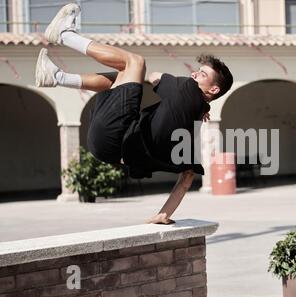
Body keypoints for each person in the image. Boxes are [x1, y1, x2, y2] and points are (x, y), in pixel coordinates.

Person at [35, 3, 233, 225]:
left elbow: (155, 77)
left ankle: (64, 36)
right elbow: (187, 178)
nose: (195, 73)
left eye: (202, 74)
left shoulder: (187, 88)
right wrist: (164, 214)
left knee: (135, 63)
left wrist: (185, 92)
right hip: (106, 150)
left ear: (214, 89)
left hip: (115, 134)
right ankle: (56, 77)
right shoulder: (191, 133)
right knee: (120, 78)